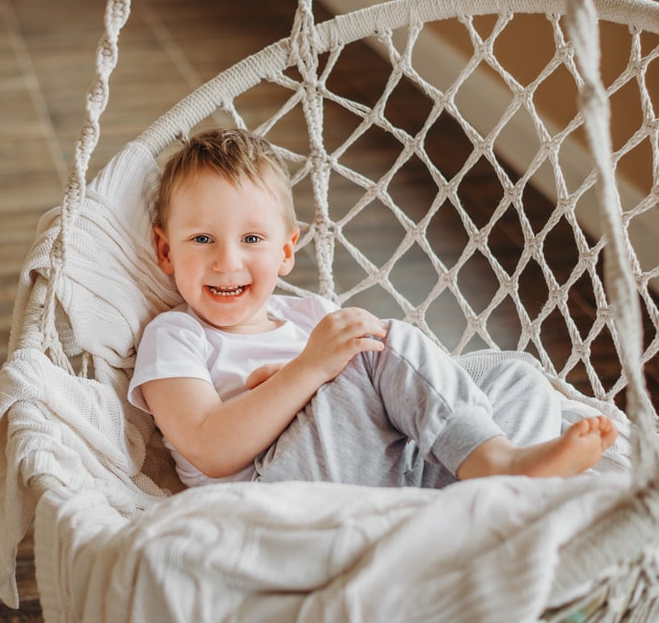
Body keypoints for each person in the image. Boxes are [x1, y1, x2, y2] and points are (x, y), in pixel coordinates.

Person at [127, 128, 618, 490]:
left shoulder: (307, 314)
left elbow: (389, 395)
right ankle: (501, 469)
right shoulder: (175, 334)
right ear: (166, 251)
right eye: (202, 239)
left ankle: (508, 495)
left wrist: (312, 370)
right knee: (380, 344)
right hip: (275, 488)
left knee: (516, 377)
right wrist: (305, 371)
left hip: (381, 468)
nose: (227, 260)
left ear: (285, 250)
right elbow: (210, 448)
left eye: (252, 238)